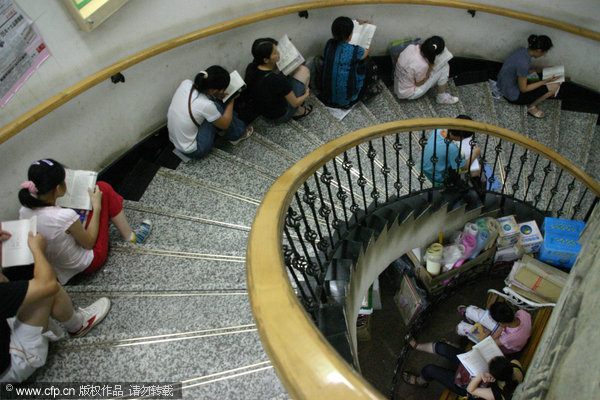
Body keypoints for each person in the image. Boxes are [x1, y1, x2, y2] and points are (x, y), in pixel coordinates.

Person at [18, 159, 152, 285]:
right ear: (58, 189)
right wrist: (97, 207)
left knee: (97, 193)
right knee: (103, 189)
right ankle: (131, 238)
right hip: (87, 263)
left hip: (58, 268)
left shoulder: (24, 210)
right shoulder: (63, 216)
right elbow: (89, 243)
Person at [1, 230, 110, 382]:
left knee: (30, 288)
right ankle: (78, 325)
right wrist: (37, 249)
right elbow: (48, 285)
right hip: (10, 365)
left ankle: (46, 328)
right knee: (47, 290)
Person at [167, 66, 253, 158]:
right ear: (214, 90)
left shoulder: (186, 83)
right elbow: (225, 124)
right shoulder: (206, 105)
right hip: (195, 150)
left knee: (213, 108)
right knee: (217, 109)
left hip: (175, 140)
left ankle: (232, 128)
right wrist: (231, 100)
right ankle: (238, 135)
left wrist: (216, 95)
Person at [402, 338, 523, 398]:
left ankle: (421, 381)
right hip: (474, 369)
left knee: (430, 369)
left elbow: (471, 390)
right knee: (443, 348)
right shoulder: (515, 366)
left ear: (495, 376)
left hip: (470, 386)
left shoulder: (496, 394)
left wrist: (480, 376)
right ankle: (418, 346)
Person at [244, 38, 312, 122]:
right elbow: (295, 103)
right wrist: (306, 93)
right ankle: (298, 112)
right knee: (303, 70)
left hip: (265, 111)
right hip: (280, 115)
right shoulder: (277, 79)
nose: (279, 53)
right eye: (275, 53)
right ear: (266, 60)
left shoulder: (252, 67)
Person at [320, 16, 380, 108]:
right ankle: (366, 91)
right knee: (367, 63)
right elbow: (366, 51)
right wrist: (369, 32)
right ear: (350, 36)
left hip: (327, 96)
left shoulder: (329, 43)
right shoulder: (354, 51)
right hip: (346, 100)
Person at [497, 35, 560, 118]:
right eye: (544, 53)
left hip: (503, 84)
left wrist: (541, 70)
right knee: (555, 86)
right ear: (539, 51)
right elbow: (524, 89)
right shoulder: (524, 64)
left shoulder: (521, 51)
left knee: (537, 77)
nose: (543, 55)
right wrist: (545, 81)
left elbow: (523, 72)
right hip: (513, 95)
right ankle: (531, 107)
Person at [394, 35, 459, 104]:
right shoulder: (422, 65)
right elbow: (419, 83)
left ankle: (441, 95)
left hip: (398, 85)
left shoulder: (411, 47)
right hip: (409, 93)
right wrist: (429, 69)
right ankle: (441, 97)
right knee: (445, 67)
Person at [422, 115, 481, 185]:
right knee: (477, 168)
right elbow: (465, 167)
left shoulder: (438, 130)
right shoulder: (452, 149)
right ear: (460, 137)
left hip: (426, 165)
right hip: (437, 176)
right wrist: (475, 152)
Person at [457, 302, 532, 354]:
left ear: (501, 323)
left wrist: (493, 334)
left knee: (462, 326)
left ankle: (467, 313)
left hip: (502, 343)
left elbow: (491, 342)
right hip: (506, 332)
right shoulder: (523, 313)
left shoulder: (507, 338)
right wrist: (501, 328)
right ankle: (468, 313)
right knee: (465, 324)